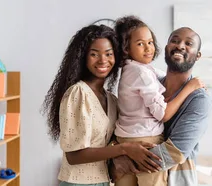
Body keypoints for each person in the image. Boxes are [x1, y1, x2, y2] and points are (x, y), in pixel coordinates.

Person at [41, 24, 162, 186]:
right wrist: (125, 149)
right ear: (82, 57)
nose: (103, 60)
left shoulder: (111, 99)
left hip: (104, 181)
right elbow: (74, 156)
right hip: (78, 183)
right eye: (94, 54)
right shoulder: (78, 93)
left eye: (109, 54)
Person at [110, 27, 212, 186]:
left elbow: (176, 152)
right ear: (166, 48)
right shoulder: (149, 84)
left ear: (197, 56)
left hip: (177, 180)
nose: (180, 46)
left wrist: (126, 161)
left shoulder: (198, 99)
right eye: (175, 41)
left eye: (188, 43)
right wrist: (119, 155)